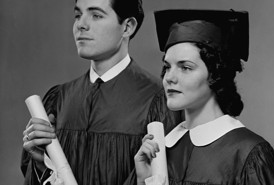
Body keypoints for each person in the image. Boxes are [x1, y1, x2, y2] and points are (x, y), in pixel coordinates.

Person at [21, 1, 182, 184]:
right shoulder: (59, 99)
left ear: (127, 27)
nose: (81, 24)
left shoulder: (158, 100)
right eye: (77, 15)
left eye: (96, 15)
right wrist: (41, 163)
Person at [134, 9, 274, 185]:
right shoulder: (162, 150)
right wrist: (144, 180)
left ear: (215, 74)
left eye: (185, 67)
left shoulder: (248, 154)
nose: (169, 77)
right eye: (167, 67)